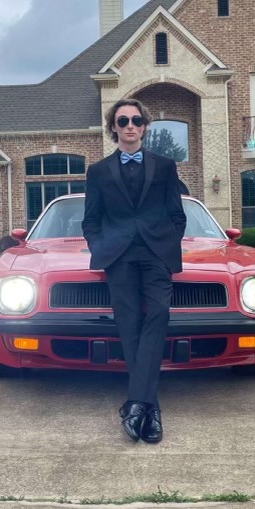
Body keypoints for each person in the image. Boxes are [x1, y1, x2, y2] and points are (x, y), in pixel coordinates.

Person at [82, 98, 186, 443]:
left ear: (144, 126)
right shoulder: (98, 172)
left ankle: (136, 404)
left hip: (157, 254)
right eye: (123, 120)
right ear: (113, 126)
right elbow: (91, 220)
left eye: (137, 120)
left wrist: (168, 242)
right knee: (129, 327)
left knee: (158, 315)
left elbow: (177, 214)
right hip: (119, 257)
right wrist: (101, 248)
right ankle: (150, 408)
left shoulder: (165, 165)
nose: (130, 125)